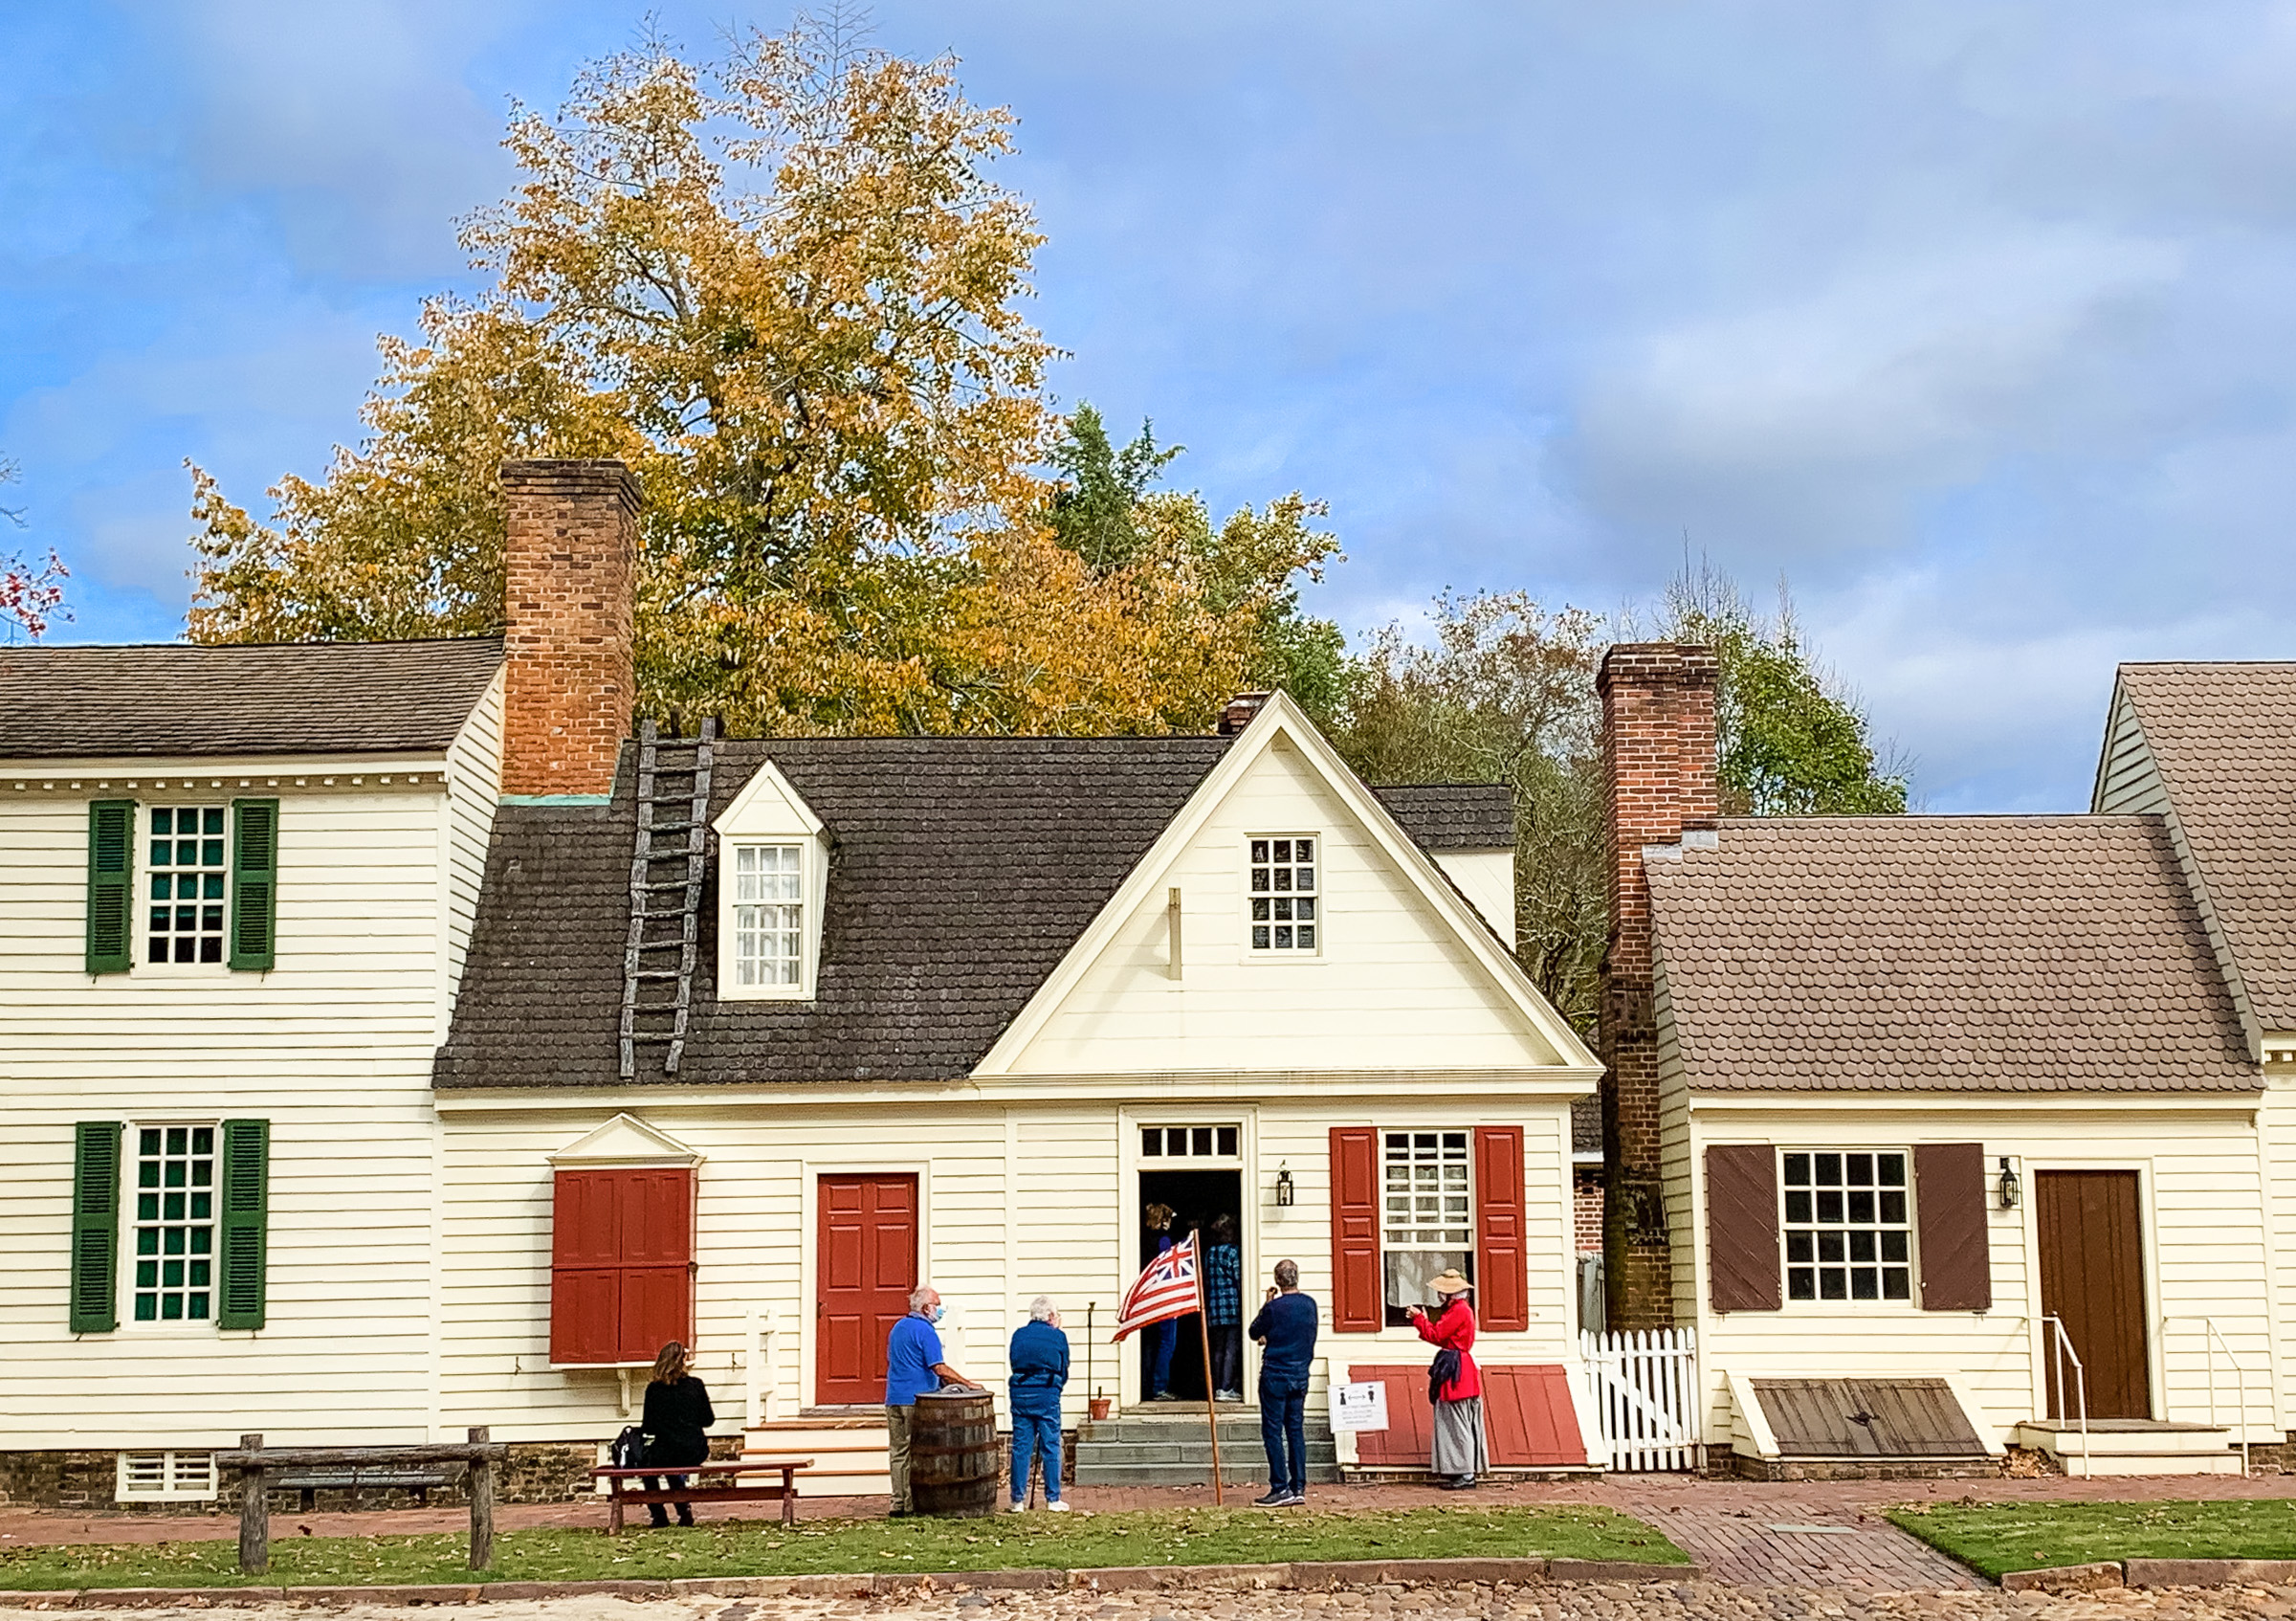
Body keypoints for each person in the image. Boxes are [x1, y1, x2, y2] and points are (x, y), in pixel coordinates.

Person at [885, 1284, 976, 1517]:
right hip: (917, 1400)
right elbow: (938, 1367)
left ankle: (898, 1502)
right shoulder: (926, 1332)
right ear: (926, 1308)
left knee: (898, 1452)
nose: (940, 1310)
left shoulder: (898, 1328)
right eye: (937, 1305)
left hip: (893, 1398)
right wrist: (967, 1383)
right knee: (919, 1452)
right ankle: (915, 1502)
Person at [1408, 1270, 1488, 1489]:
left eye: (1442, 1292)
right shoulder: (1462, 1310)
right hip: (1460, 1367)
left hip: (1456, 1370)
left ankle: (1465, 1472)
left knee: (1457, 1423)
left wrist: (1419, 1319)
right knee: (1459, 1421)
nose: (1439, 1295)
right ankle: (1462, 1469)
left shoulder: (1459, 1312)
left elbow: (1437, 1334)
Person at [1247, 1258, 1317, 1507]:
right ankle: (1299, 1486)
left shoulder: (1274, 1309)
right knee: (1296, 1431)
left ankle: (1280, 1487)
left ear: (1278, 1280)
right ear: (1296, 1277)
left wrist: (1267, 1303)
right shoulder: (1310, 1305)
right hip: (1300, 1375)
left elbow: (1255, 1331)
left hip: (1275, 1376)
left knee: (1273, 1432)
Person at [1005, 1296, 1072, 1512]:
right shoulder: (1058, 1336)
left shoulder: (1018, 1335)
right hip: (1047, 1393)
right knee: (1050, 1445)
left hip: (1020, 1393)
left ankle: (1017, 1500)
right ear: (1051, 1316)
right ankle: (1053, 1499)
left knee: (1021, 1446)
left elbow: (1014, 1362)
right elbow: (1064, 1368)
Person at [639, 1341, 714, 1527]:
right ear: (683, 1361)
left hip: (666, 1450)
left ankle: (658, 1515)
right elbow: (708, 1420)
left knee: (651, 1469)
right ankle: (684, 1512)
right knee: (672, 1465)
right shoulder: (696, 1385)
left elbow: (648, 1427)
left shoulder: (654, 1390)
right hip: (694, 1450)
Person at [1142, 1203, 1180, 1401]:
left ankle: (1146, 1386)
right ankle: (1159, 1387)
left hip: (1149, 1299)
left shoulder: (1144, 1239)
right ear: (1164, 1220)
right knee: (1167, 1343)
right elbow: (1166, 1267)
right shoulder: (1164, 1240)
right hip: (1164, 1298)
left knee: (1150, 1343)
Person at [1204, 1215, 1243, 1402]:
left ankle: (1217, 1386)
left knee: (1218, 1349)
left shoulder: (1210, 1253)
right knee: (1231, 1349)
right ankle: (1226, 1387)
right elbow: (1238, 1279)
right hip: (1232, 1307)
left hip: (1214, 1307)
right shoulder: (1233, 1252)